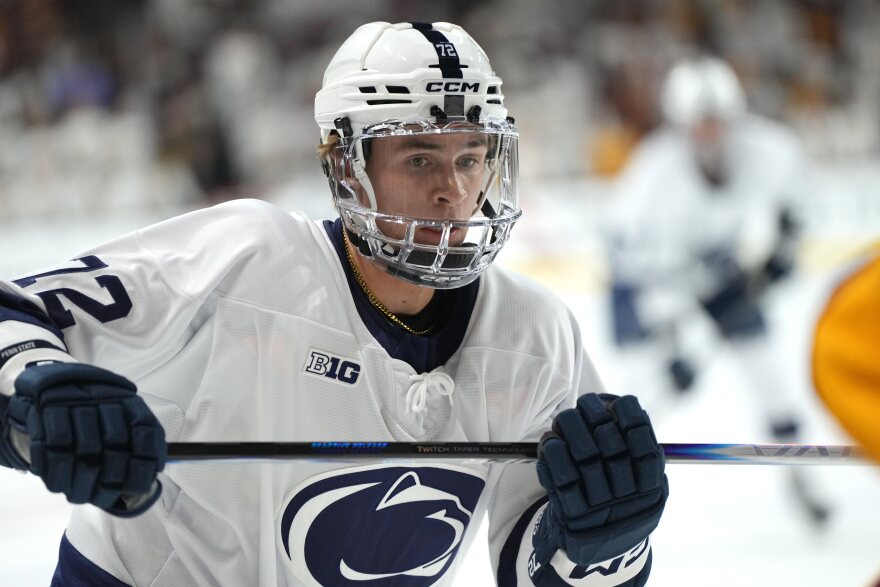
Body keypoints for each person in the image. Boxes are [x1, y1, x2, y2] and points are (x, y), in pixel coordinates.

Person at [0, 22, 668, 586]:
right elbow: (17, 313)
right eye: (418, 159)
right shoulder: (246, 258)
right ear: (348, 167)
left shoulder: (536, 334)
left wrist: (604, 536)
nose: (454, 190)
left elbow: (537, 568)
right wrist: (45, 391)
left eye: (471, 156)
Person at [605, 55, 829, 526]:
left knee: (768, 371)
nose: (710, 133)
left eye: (718, 121)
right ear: (679, 123)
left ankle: (798, 477)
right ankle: (611, 477)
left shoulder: (768, 149)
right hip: (648, 281)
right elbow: (637, 265)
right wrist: (672, 344)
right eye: (698, 123)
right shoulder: (653, 177)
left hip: (720, 270)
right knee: (647, 389)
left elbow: (802, 195)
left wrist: (785, 246)